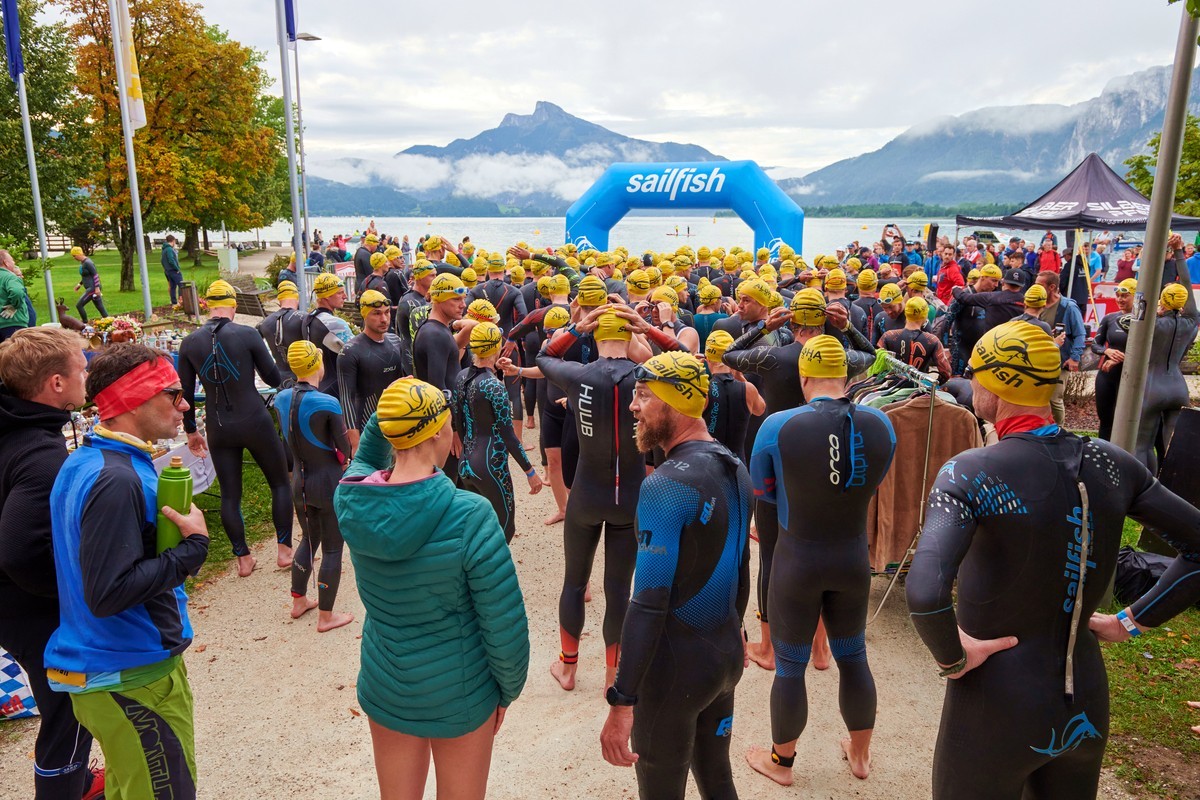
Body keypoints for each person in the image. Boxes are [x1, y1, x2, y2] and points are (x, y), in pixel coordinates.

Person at [906, 319, 1200, 800]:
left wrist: (953, 655)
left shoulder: (969, 471)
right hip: (1084, 700)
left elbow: (925, 593)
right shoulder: (1113, 463)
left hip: (995, 706)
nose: (972, 383)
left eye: (976, 373)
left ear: (997, 383)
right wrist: (1130, 621)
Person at [334, 378, 529, 800]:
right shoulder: (470, 514)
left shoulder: (351, 498)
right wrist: (507, 691)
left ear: (392, 432)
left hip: (386, 683)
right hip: (459, 692)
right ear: (441, 432)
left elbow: (366, 454)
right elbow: (504, 623)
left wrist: (396, 402)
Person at [45, 343, 210, 800]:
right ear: (133, 399)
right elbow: (108, 592)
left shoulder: (87, 459)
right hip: (132, 674)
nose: (184, 406)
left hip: (113, 668)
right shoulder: (117, 479)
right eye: (173, 394)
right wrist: (192, 550)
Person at [745, 334, 896, 786]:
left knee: (791, 666)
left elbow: (763, 492)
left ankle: (782, 763)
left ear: (803, 375)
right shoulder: (881, 423)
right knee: (854, 656)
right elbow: (875, 480)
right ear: (847, 376)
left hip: (798, 559)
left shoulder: (778, 425)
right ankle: (860, 756)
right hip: (851, 558)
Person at [600, 351, 751, 800]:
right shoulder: (734, 465)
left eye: (644, 396)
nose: (633, 406)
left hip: (675, 672)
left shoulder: (665, 486)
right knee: (717, 777)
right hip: (723, 657)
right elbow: (739, 564)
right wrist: (738, 629)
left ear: (678, 403)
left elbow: (648, 602)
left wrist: (622, 699)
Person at [537, 306, 683, 692]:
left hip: (586, 495)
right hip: (630, 498)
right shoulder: (646, 376)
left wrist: (575, 328)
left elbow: (544, 356)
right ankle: (611, 675)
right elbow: (685, 360)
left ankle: (568, 668)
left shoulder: (578, 375)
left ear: (595, 335)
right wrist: (650, 329)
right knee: (619, 590)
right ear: (629, 335)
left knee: (574, 583)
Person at [0, 328, 104, 799]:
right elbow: (20, 552)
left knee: (61, 701)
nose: (88, 375)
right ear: (56, 383)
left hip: (14, 600)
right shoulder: (40, 454)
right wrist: (74, 593)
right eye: (82, 368)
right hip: (27, 605)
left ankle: (76, 781)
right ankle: (64, 786)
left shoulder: (15, 423)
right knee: (70, 707)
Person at [179, 280, 294, 576]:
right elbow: (272, 379)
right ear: (233, 305)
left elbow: (185, 395)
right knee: (280, 483)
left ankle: (243, 559)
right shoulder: (246, 334)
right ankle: (284, 551)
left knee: (230, 495)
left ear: (208, 305)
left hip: (218, 426)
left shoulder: (189, 343)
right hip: (254, 419)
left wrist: (191, 431)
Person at [274, 342, 354, 632]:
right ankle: (326, 616)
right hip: (327, 481)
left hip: (300, 481)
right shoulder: (327, 403)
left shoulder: (281, 398)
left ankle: (299, 601)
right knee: (332, 548)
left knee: (308, 539)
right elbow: (344, 449)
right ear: (317, 364)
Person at [452, 322, 543, 542]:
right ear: (496, 348)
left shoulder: (461, 376)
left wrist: (497, 371)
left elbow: (460, 423)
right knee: (505, 528)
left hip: (465, 463)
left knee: (475, 528)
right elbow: (508, 436)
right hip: (491, 466)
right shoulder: (493, 386)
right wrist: (530, 471)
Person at [337, 290, 406, 454]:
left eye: (387, 312)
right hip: (367, 430)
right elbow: (347, 399)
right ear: (364, 315)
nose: (384, 319)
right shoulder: (350, 351)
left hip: (396, 426)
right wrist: (355, 443)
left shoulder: (396, 342)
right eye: (376, 313)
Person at [702, 330, 765, 463]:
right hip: (739, 466)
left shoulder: (703, 390)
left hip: (710, 465)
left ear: (707, 359)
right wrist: (740, 376)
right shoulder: (748, 389)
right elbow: (760, 410)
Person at [1033, 271, 1086, 426]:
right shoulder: (1036, 304)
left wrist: (1074, 357)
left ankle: (1059, 430)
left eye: (1039, 285)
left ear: (1051, 287)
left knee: (1054, 399)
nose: (1035, 288)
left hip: (1059, 360)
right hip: (1037, 359)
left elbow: (1080, 333)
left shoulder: (1068, 307)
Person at [1091, 278, 1137, 441]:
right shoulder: (1109, 318)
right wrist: (1107, 351)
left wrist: (1123, 358)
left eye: (1125, 296)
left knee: (1129, 421)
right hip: (1107, 375)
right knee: (1106, 420)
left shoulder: (1144, 322)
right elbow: (1095, 345)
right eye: (1117, 296)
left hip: (1131, 378)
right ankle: (1104, 452)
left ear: (1135, 297)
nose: (1120, 300)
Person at [303, 273, 354, 398]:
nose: (345, 296)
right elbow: (359, 351)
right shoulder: (334, 323)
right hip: (336, 390)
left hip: (317, 386)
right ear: (326, 296)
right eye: (340, 293)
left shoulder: (309, 319)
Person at [878, 297, 952, 379]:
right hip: (919, 386)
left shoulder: (889, 336)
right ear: (925, 315)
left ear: (906, 314)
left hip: (892, 385)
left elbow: (876, 366)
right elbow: (946, 372)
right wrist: (932, 384)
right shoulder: (932, 340)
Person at [257, 279, 304, 385]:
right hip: (303, 381)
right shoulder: (304, 318)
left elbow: (256, 354)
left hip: (280, 381)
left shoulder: (264, 323)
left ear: (279, 300)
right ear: (297, 298)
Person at [70, 247, 107, 324]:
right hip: (91, 288)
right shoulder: (83, 262)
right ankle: (110, 322)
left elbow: (95, 275)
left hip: (93, 289)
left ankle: (84, 323)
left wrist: (97, 288)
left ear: (79, 254)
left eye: (74, 256)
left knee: (79, 305)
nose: (74, 258)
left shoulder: (88, 263)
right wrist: (79, 284)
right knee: (100, 307)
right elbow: (86, 276)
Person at [0, 253, 31, 342]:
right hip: (12, 324)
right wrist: (15, 306)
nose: (14, 263)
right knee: (16, 350)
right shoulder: (10, 277)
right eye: (12, 260)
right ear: (6, 263)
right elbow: (17, 291)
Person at [162, 235, 184, 305]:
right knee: (181, 285)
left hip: (168, 271)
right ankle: (181, 301)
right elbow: (171, 260)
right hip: (173, 270)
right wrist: (177, 268)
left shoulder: (164, 249)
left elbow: (162, 261)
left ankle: (174, 302)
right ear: (173, 241)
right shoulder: (169, 249)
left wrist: (166, 268)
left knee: (172, 287)